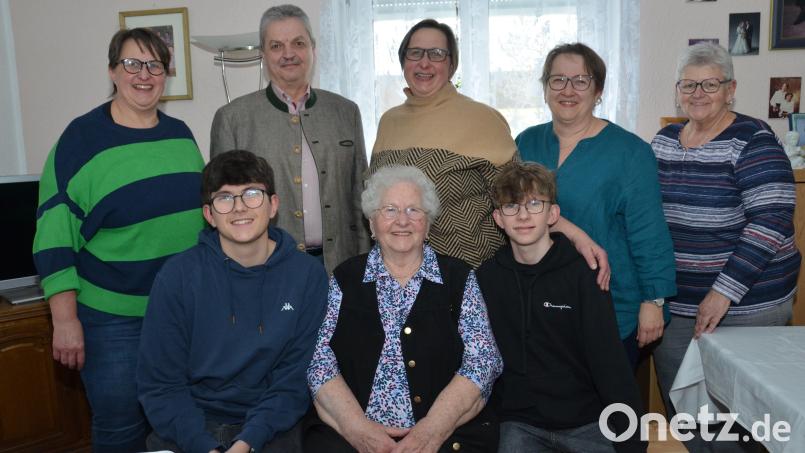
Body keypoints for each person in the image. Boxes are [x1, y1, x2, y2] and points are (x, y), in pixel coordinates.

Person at [31, 28, 205, 452]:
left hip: (181, 316)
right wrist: (66, 320)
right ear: (112, 71)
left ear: (166, 75)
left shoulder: (181, 135)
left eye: (155, 65)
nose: (143, 75)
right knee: (121, 429)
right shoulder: (79, 141)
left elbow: (202, 222)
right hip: (113, 323)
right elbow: (53, 238)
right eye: (132, 64)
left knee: (182, 423)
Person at [651, 42, 800, 452]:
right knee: (688, 410)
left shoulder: (753, 141)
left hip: (749, 305)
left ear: (731, 89)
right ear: (677, 90)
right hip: (678, 303)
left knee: (746, 421)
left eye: (710, 84)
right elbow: (644, 214)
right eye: (689, 85)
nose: (698, 94)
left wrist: (723, 293)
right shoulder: (663, 141)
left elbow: (771, 221)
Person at [138, 150, 328, 453]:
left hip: (272, 424)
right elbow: (161, 385)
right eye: (224, 198)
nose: (239, 208)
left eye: (252, 194)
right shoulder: (177, 277)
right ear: (209, 215)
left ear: (273, 205)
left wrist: (247, 443)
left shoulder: (308, 276)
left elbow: (294, 380)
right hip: (190, 423)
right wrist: (202, 445)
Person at [305, 165, 503, 452]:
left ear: (428, 224)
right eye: (389, 210)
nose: (402, 221)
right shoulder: (346, 278)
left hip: (446, 436)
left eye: (414, 210)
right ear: (372, 224)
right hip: (352, 437)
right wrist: (356, 429)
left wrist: (432, 430)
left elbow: (483, 361)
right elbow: (319, 361)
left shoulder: (459, 278)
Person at [516, 42, 676, 368]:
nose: (568, 90)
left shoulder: (630, 152)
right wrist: (567, 227)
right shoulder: (526, 142)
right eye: (558, 80)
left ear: (598, 90)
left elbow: (649, 233)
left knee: (607, 412)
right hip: (538, 305)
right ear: (545, 89)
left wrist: (653, 301)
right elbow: (514, 212)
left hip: (609, 305)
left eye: (581, 80)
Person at [476, 162, 646, 453]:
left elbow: (609, 361)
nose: (523, 215)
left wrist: (632, 441)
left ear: (553, 214)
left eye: (534, 203)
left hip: (587, 421)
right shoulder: (487, 278)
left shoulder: (584, 274)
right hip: (520, 423)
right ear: (498, 218)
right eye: (511, 206)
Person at [211, 4, 369, 272]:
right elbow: (223, 206)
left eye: (298, 43)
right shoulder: (233, 118)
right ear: (263, 54)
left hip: (342, 266)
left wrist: (366, 262)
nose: (288, 54)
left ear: (313, 49)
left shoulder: (346, 112)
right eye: (276, 46)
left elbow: (360, 196)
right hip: (267, 267)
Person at [369, 19, 515, 268]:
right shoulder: (389, 121)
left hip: (473, 274)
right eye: (415, 53)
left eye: (436, 54)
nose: (424, 63)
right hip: (399, 276)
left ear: (451, 64)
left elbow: (517, 201)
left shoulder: (483, 119)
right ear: (403, 61)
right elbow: (375, 205)